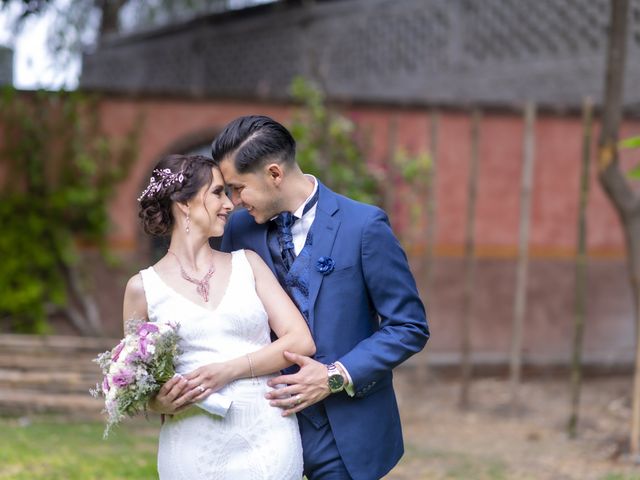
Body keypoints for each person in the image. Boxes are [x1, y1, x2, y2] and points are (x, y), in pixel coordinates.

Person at [211, 115, 430, 480]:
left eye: (238, 188)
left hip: (343, 433)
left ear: (275, 174)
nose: (233, 202)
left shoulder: (364, 226)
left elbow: (409, 326)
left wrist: (334, 376)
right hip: (261, 427)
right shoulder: (238, 229)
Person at [122, 153, 315, 479]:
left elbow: (301, 340)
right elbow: (135, 384)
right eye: (217, 193)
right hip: (192, 444)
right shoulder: (142, 288)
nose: (229, 204)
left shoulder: (249, 264)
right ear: (183, 203)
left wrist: (228, 371)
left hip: (267, 435)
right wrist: (159, 403)